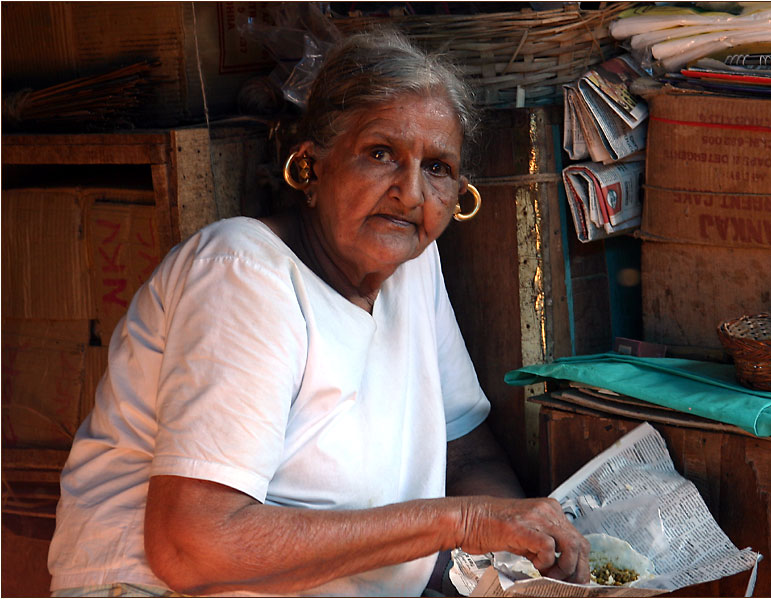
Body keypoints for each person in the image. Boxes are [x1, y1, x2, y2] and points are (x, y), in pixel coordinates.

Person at [48, 30, 590, 597]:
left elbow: (467, 448)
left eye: (437, 168)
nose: (410, 192)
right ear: (311, 166)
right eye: (381, 154)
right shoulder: (244, 275)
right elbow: (192, 548)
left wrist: (518, 552)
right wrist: (463, 522)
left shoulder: (410, 268)